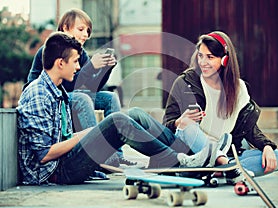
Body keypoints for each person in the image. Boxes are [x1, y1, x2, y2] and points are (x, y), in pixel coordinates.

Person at [17, 32, 222, 185]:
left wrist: (89, 137)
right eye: (75, 61)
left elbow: (60, 137)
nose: (78, 67)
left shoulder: (57, 91)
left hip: (64, 163)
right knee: (117, 122)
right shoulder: (39, 94)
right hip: (56, 172)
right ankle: (180, 163)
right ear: (60, 63)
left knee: (125, 119)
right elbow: (43, 155)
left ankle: (177, 162)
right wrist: (84, 136)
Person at [163, 31, 278, 183]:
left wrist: (267, 146)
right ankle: (225, 167)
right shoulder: (185, 82)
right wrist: (179, 122)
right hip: (192, 151)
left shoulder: (239, 88)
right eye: (200, 55)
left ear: (225, 60)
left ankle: (216, 171)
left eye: (210, 57)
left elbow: (249, 129)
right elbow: (166, 126)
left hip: (226, 151)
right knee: (188, 126)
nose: (203, 62)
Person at [25, 8, 134, 166]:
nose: (85, 35)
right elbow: (69, 83)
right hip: (47, 98)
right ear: (65, 28)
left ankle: (116, 155)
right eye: (81, 29)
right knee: (82, 98)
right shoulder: (51, 49)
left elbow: (91, 87)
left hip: (67, 96)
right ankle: (97, 156)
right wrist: (91, 67)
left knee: (110, 98)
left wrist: (106, 68)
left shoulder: (80, 54)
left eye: (88, 31)